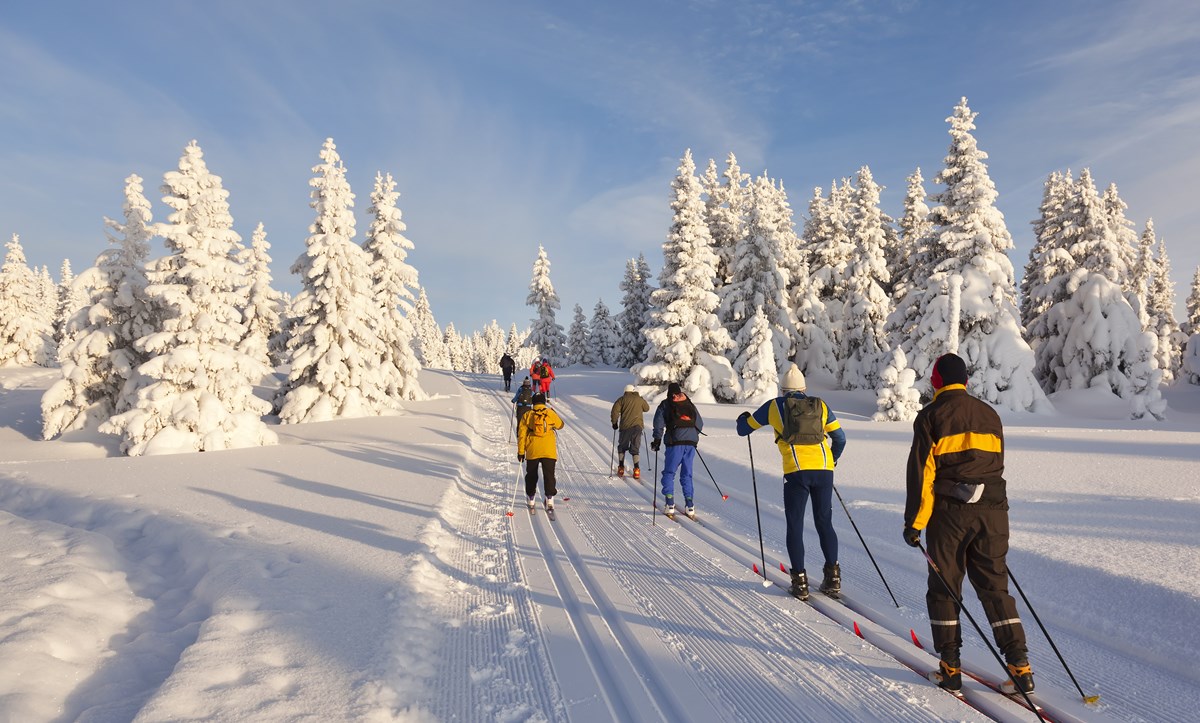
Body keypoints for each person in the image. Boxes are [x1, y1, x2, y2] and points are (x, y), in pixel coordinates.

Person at [902, 353, 1034, 695]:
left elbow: (922, 476)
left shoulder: (931, 416)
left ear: (936, 381)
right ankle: (1021, 668)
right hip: (994, 513)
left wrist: (914, 523)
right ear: (966, 381)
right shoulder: (990, 415)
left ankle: (950, 668)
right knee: (995, 588)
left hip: (951, 515)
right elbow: (995, 466)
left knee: (945, 588)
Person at [737, 364, 846, 601]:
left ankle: (800, 582)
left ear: (783, 389)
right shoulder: (820, 405)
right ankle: (833, 578)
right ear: (804, 389)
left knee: (795, 524)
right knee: (824, 521)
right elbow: (840, 438)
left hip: (796, 470)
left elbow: (744, 429)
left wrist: (742, 418)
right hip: (824, 468)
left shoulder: (775, 406)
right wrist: (832, 460)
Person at [650, 382, 702, 517]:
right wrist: (692, 436)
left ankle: (669, 504)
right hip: (691, 443)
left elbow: (658, 424)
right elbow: (700, 423)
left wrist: (657, 440)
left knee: (669, 473)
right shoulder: (688, 402)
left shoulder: (666, 404)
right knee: (687, 474)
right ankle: (690, 505)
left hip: (675, 442)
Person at [517, 392, 564, 511]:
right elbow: (560, 425)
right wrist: (554, 414)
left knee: (531, 475)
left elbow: (521, 435)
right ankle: (549, 500)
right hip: (548, 450)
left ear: (533, 402)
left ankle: (531, 499)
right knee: (549, 475)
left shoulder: (528, 415)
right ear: (543, 402)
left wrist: (521, 452)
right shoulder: (550, 413)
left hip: (533, 449)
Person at [610, 384, 650, 479]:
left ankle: (621, 468)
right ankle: (636, 470)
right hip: (637, 427)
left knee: (622, 447)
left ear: (625, 391)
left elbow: (614, 411)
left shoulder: (621, 399)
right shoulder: (639, 399)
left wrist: (614, 423)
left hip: (625, 427)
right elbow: (647, 408)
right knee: (635, 448)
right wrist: (640, 398)